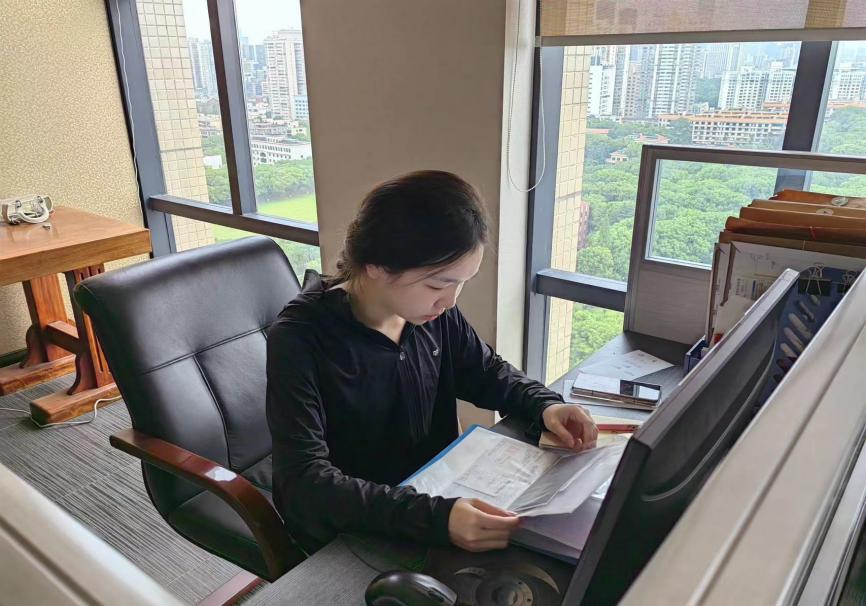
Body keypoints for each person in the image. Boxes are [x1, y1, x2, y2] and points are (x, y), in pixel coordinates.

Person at [266, 170, 598, 556]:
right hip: (356, 527)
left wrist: (546, 405)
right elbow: (304, 483)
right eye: (438, 284)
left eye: (462, 282)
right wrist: (438, 519)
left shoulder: (430, 314)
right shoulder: (301, 338)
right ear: (377, 265)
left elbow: (485, 372)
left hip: (436, 495)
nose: (451, 301)